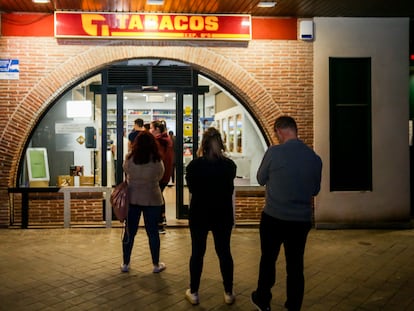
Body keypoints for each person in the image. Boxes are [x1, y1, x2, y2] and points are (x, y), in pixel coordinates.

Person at [250, 116, 322, 311]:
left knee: (268, 260)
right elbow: (315, 190)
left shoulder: (274, 152)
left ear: (280, 131)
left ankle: (263, 299)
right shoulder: (314, 158)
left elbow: (260, 178)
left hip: (273, 217)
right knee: (295, 266)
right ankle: (293, 305)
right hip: (300, 220)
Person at [184, 127, 237, 306]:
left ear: (203, 145)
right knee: (224, 252)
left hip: (200, 213)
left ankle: (194, 291)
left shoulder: (194, 166)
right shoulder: (230, 166)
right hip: (222, 214)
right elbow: (229, 189)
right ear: (221, 144)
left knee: (197, 253)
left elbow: (192, 189)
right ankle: (228, 292)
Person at [121, 131, 166, 274]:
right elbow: (160, 176)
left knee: (130, 231)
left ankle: (126, 263)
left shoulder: (130, 158)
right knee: (153, 232)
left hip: (133, 198)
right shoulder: (157, 160)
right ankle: (155, 264)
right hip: (153, 198)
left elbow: (126, 171)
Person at [150, 120, 174, 234]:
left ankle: (159, 223)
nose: (150, 130)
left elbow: (157, 159)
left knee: (156, 198)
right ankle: (162, 220)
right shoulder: (167, 140)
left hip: (159, 174)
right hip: (165, 173)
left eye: (151, 128)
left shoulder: (158, 142)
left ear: (157, 130)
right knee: (159, 196)